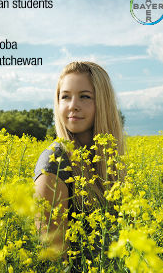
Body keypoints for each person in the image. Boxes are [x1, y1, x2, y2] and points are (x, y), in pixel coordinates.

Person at [33, 61, 125, 270]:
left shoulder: (108, 159)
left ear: (103, 103)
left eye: (84, 96)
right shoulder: (54, 164)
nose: (72, 105)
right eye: (65, 96)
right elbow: (54, 262)